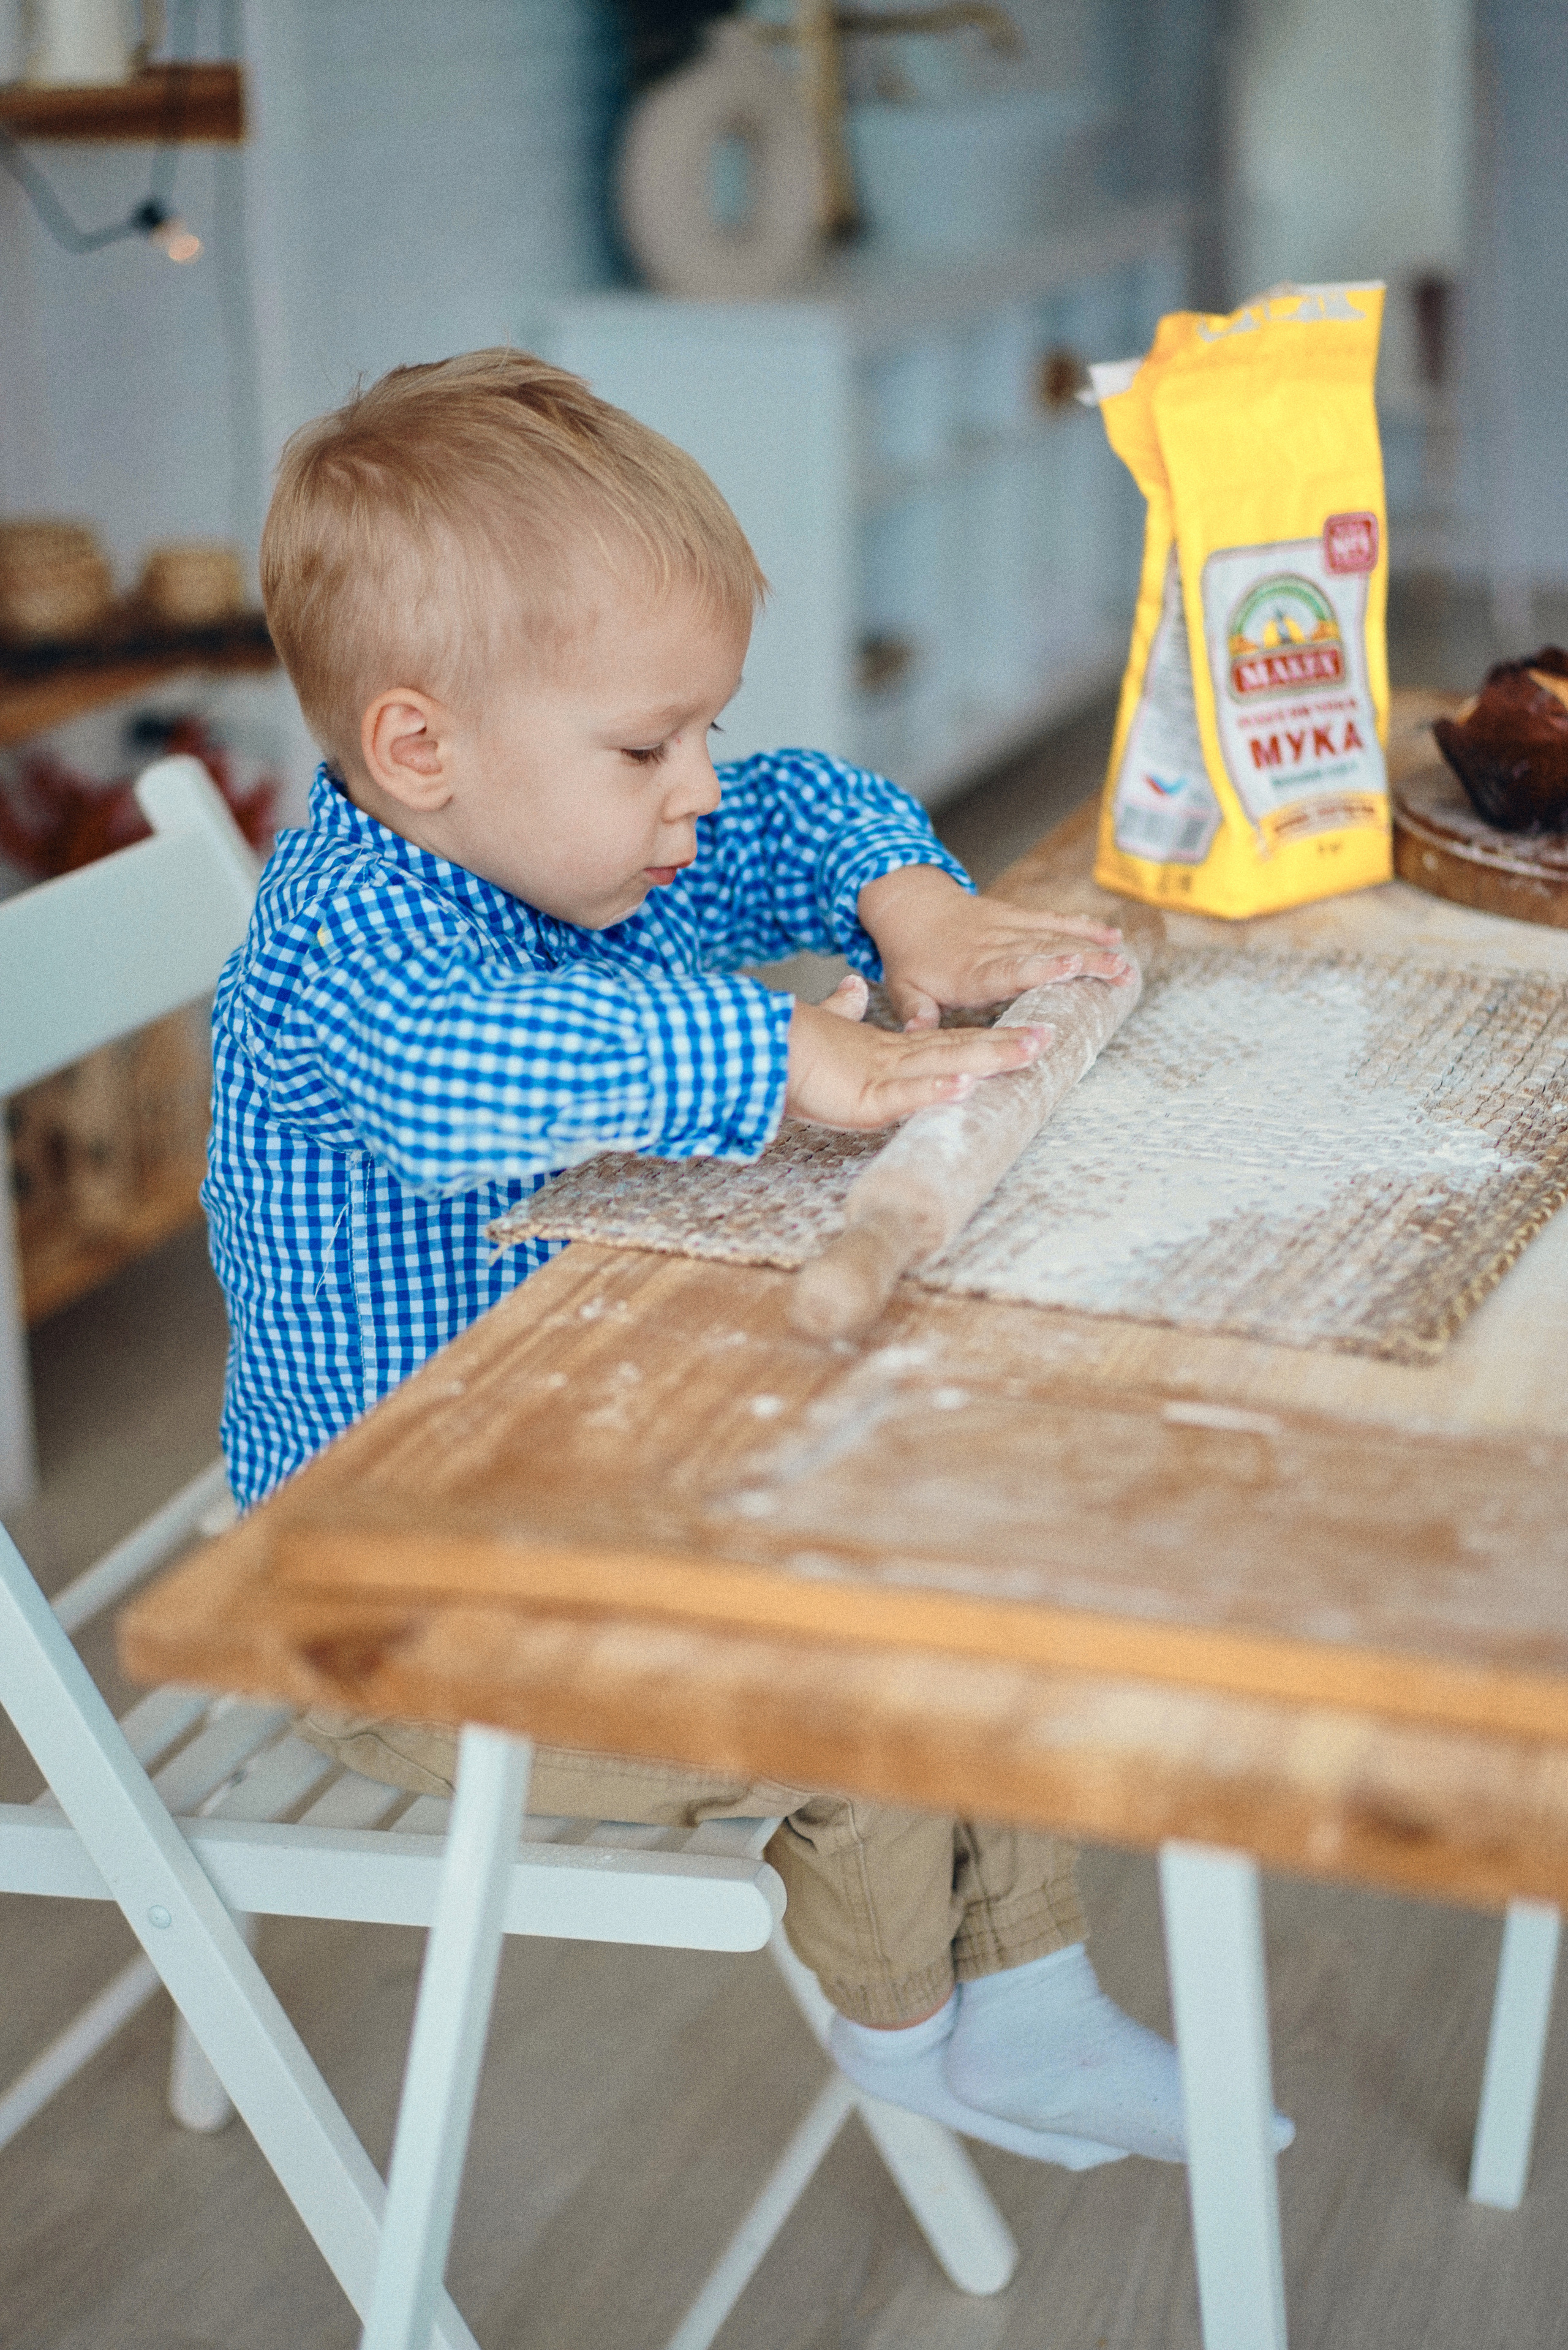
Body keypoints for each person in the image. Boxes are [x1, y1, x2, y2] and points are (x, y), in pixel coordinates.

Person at [206, 347, 1287, 2171]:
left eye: (697, 726)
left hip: (604, 1470)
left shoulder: (598, 833)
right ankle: (915, 2024)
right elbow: (471, 1083)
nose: (697, 786)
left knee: (964, 1539)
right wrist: (790, 1057)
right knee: (842, 1677)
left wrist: (911, 903)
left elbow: (796, 800)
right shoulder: (352, 950)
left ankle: (1025, 1998)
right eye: (650, 744)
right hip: (398, 1602)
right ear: (418, 749)